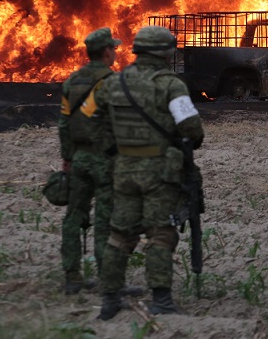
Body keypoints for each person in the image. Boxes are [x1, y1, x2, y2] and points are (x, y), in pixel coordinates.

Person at [82, 25, 205, 320]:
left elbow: (88, 121)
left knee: (119, 235)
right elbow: (192, 130)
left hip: (122, 170)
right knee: (160, 233)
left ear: (138, 51)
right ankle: (161, 301)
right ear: (165, 53)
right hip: (160, 172)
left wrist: (112, 150)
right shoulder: (170, 85)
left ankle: (110, 299)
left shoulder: (113, 83)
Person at [58, 27, 121, 295]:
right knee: (105, 219)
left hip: (80, 157)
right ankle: (108, 281)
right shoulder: (112, 82)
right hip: (105, 159)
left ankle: (72, 277)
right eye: (114, 48)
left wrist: (68, 156)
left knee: (74, 216)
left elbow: (63, 122)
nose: (116, 52)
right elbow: (120, 122)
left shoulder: (72, 81)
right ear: (106, 52)